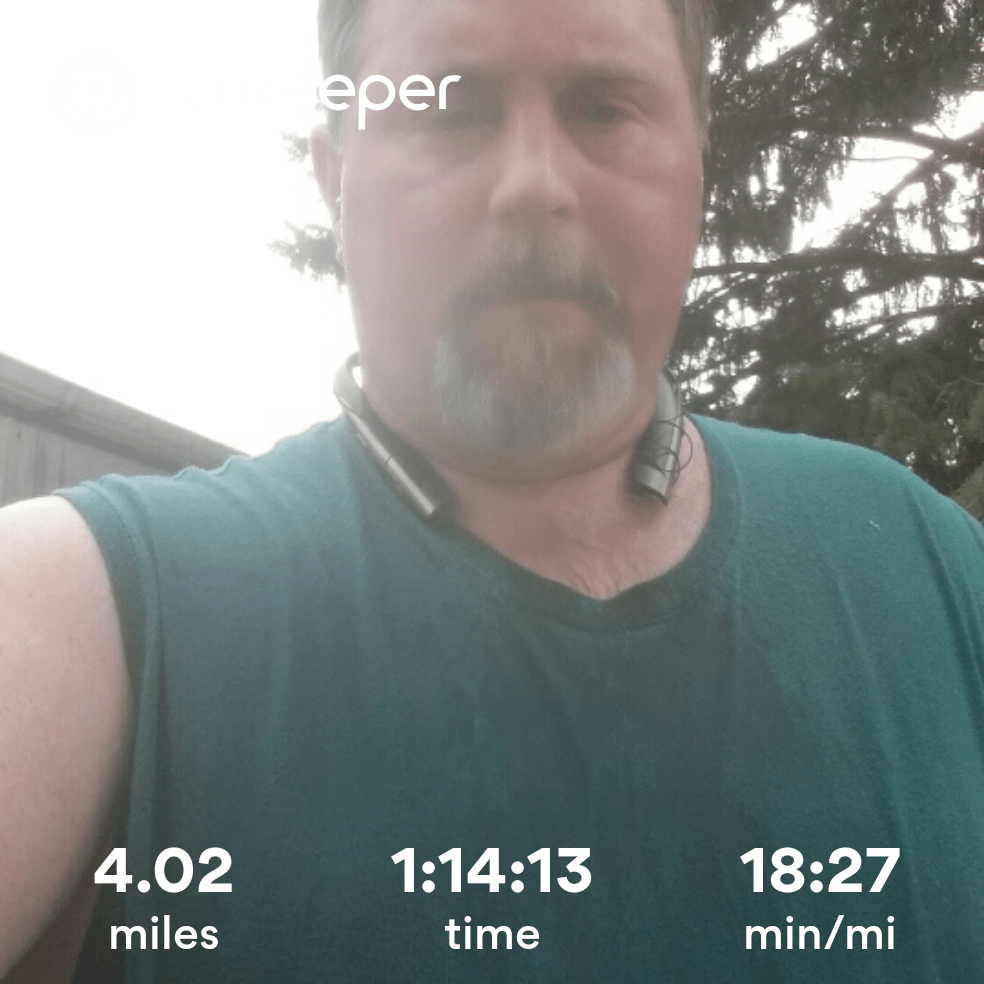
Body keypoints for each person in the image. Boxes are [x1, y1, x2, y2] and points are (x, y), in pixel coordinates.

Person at [1, 0, 982, 980]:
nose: (533, 186)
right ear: (335, 177)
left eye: (603, 107)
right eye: (448, 109)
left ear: (698, 158)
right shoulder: (82, 610)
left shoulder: (932, 567)